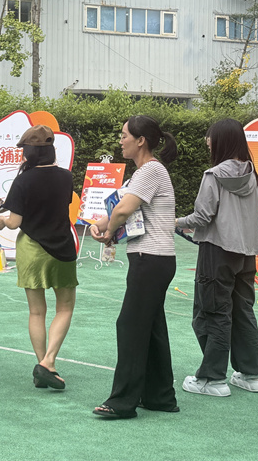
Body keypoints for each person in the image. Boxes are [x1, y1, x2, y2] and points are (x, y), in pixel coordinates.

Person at [90, 115, 179, 419]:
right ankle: (159, 396)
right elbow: (118, 208)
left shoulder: (151, 170)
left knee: (129, 325)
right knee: (151, 327)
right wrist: (100, 225)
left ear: (141, 141)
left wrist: (109, 233)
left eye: (124, 135)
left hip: (150, 259)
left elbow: (124, 210)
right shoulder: (144, 172)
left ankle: (122, 402)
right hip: (154, 259)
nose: (121, 140)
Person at [176, 118, 258, 396]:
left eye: (210, 137)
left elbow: (202, 216)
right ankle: (251, 374)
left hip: (217, 252)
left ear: (221, 141)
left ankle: (212, 378)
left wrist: (173, 222)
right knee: (242, 311)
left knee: (212, 312)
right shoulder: (251, 174)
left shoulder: (213, 175)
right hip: (247, 254)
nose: (207, 142)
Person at [0, 125, 78, 390]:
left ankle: (44, 364)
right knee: (64, 308)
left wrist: (1, 220)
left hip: (31, 249)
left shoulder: (23, 180)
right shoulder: (66, 177)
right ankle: (48, 363)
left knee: (36, 311)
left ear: (28, 152)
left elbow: (15, 222)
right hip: (62, 247)